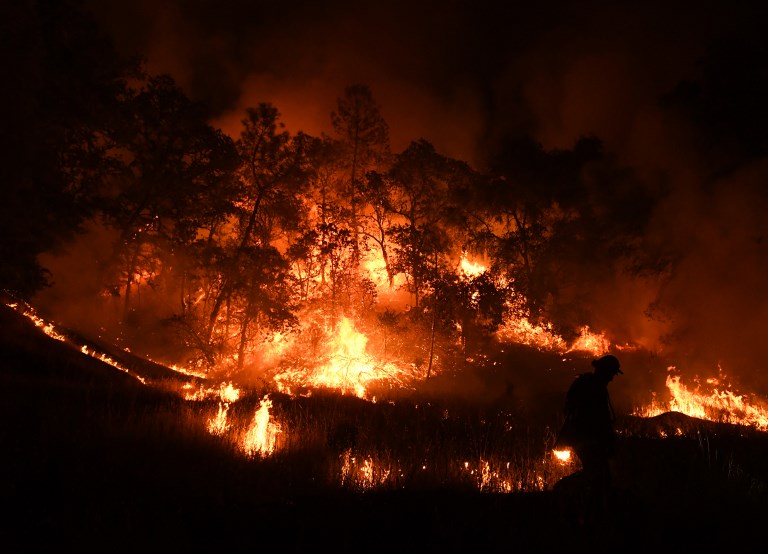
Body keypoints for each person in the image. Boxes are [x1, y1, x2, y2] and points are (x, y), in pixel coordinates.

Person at [554, 354, 623, 519]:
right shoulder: (592, 387)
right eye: (612, 373)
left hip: (585, 438)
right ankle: (566, 491)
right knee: (599, 475)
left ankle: (591, 510)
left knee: (599, 476)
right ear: (604, 370)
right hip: (585, 439)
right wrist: (604, 439)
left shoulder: (592, 384)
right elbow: (595, 418)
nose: (612, 378)